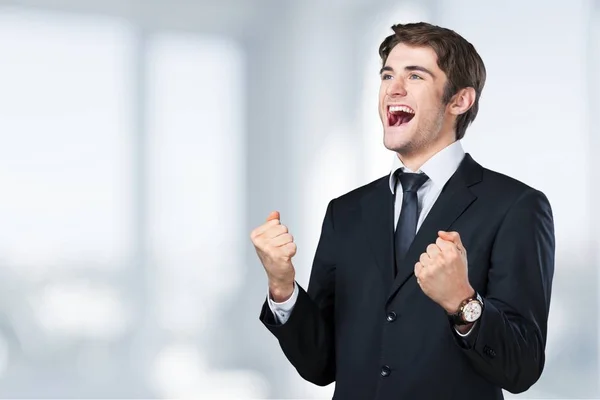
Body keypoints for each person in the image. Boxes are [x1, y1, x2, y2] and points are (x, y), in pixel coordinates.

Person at [250, 22, 555, 399]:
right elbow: (320, 364)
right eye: (387, 75)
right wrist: (282, 287)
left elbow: (521, 367)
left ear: (459, 100)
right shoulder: (345, 212)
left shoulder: (516, 206)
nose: (393, 88)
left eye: (415, 76)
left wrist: (463, 302)